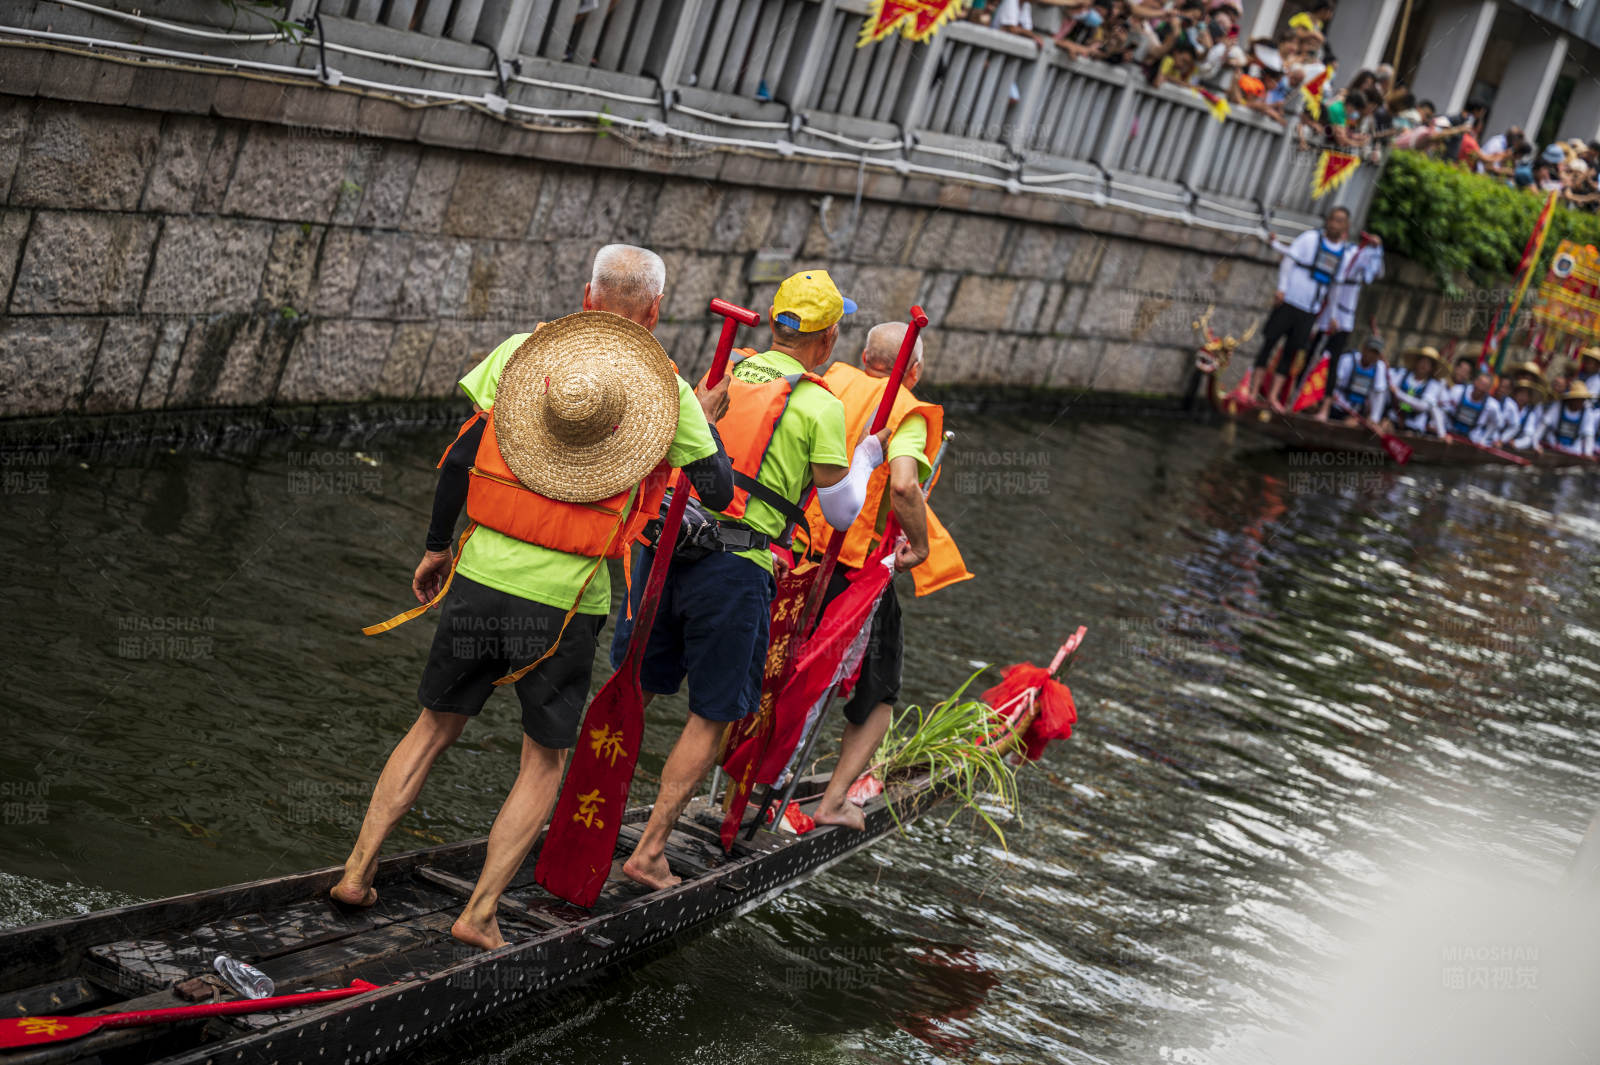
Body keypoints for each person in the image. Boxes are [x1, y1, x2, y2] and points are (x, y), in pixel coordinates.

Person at [330, 245, 735, 952]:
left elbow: (461, 455)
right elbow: (720, 490)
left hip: (480, 574)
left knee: (431, 727)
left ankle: (356, 871)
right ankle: (480, 910)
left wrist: (435, 547)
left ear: (587, 294)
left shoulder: (524, 351)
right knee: (542, 760)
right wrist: (701, 416)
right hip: (564, 601)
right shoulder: (665, 388)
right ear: (654, 311)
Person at [615, 269, 887, 891]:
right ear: (828, 338)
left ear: (772, 324)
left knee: (635, 686)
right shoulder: (819, 405)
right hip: (736, 569)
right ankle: (650, 849)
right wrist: (867, 459)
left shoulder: (721, 371)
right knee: (712, 712)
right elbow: (841, 511)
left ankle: (590, 817)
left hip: (663, 548)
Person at [799, 323, 971, 831]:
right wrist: (918, 547)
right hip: (857, 572)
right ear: (913, 371)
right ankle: (831, 802)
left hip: (798, 556)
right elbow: (903, 486)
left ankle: (744, 792)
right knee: (880, 691)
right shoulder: (907, 412)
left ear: (861, 355)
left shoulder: (831, 381)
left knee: (781, 669)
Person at [1249, 207, 1350, 409]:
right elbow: (1288, 261)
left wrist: (1332, 315)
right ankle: (1252, 391)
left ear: (1345, 226)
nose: (1334, 224)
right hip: (1290, 301)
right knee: (1269, 344)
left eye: (1339, 221)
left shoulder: (1343, 254)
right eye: (1332, 219)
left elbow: (1335, 289)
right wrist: (1281, 288)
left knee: (1291, 353)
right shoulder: (1310, 239)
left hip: (1309, 310)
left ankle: (1273, 397)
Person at [1316, 332, 1388, 424]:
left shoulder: (1379, 368)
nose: (1372, 355)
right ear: (1364, 349)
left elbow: (1378, 395)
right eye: (1371, 351)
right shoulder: (1347, 359)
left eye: (1376, 353)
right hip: (1336, 405)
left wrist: (1374, 419)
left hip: (1355, 413)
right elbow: (1332, 382)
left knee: (1349, 424)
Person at [1386, 345, 1447, 438]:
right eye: (1422, 361)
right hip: (1393, 420)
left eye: (1428, 363)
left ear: (1432, 368)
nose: (1424, 365)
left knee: (1408, 437)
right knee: (1384, 426)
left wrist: (1398, 393)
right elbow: (1386, 383)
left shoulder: (1433, 385)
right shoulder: (1401, 374)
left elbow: (1423, 406)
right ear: (1416, 362)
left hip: (1413, 428)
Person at [1531, 381, 1599, 455]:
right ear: (1571, 399)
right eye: (1578, 399)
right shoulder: (1558, 407)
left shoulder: (1587, 412)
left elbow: (1589, 435)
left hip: (1574, 451)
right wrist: (1536, 445)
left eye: (1582, 399)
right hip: (1554, 447)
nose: (1580, 402)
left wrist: (1588, 454)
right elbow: (1542, 426)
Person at [1442, 369, 1504, 445]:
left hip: (1472, 440)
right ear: (1475, 381)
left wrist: (1483, 439)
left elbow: (1496, 423)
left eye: (1484, 386)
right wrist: (1441, 431)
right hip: (1449, 432)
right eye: (1480, 383)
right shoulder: (1457, 391)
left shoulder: (1492, 405)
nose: (1480, 388)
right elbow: (1443, 409)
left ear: (1489, 389)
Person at [1501, 376, 1548, 449]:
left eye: (1526, 395)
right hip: (1497, 441)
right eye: (1520, 393)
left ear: (1529, 398)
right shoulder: (1507, 405)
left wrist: (1516, 444)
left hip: (1513, 448)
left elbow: (1528, 437)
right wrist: (1502, 440)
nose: (1522, 397)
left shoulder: (1530, 415)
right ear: (1515, 394)